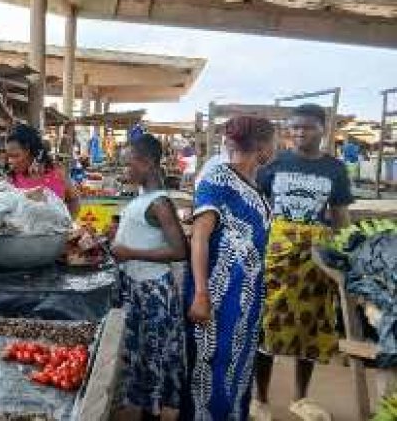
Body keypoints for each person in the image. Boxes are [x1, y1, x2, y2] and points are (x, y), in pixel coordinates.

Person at [254, 104, 353, 413]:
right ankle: (261, 399)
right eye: (294, 127)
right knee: (267, 324)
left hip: (314, 259)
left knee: (310, 327)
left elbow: (339, 216)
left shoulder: (334, 169)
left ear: (323, 129)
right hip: (275, 254)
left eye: (307, 127)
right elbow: (259, 205)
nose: (299, 133)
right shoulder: (273, 162)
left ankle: (301, 398)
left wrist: (346, 250)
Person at [181, 116, 276, 421]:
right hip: (216, 297)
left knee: (236, 369)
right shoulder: (219, 180)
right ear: (262, 148)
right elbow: (200, 237)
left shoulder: (253, 185)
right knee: (208, 371)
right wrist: (200, 293)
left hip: (245, 301)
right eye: (273, 142)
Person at [110, 134, 188, 421]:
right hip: (137, 288)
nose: (124, 170)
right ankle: (145, 409)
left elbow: (180, 250)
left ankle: (151, 413)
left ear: (147, 164)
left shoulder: (160, 203)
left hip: (154, 291)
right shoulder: (142, 198)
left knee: (153, 354)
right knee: (142, 353)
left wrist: (129, 251)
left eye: (128, 165)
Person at [5, 123, 81, 217]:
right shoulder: (10, 180)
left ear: (30, 152)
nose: (10, 161)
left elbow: (74, 200)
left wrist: (67, 223)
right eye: (9, 156)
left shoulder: (58, 173)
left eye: (15, 156)